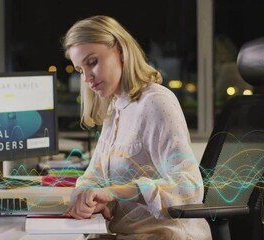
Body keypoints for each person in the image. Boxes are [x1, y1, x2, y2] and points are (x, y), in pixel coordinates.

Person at [61, 15, 211, 239]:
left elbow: (188, 186)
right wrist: (87, 198)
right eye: (81, 70)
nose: (87, 79)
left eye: (92, 62)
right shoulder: (116, 108)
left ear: (120, 49)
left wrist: (114, 193)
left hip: (163, 235)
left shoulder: (155, 103)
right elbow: (93, 176)